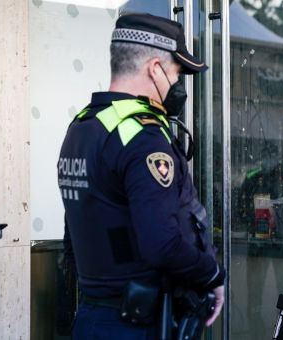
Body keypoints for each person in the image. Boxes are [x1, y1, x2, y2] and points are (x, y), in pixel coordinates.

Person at [57, 13, 225, 339]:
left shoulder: (83, 128)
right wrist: (212, 274)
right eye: (177, 74)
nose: (177, 86)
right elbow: (162, 244)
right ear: (154, 68)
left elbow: (73, 236)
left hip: (93, 314)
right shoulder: (142, 138)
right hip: (134, 323)